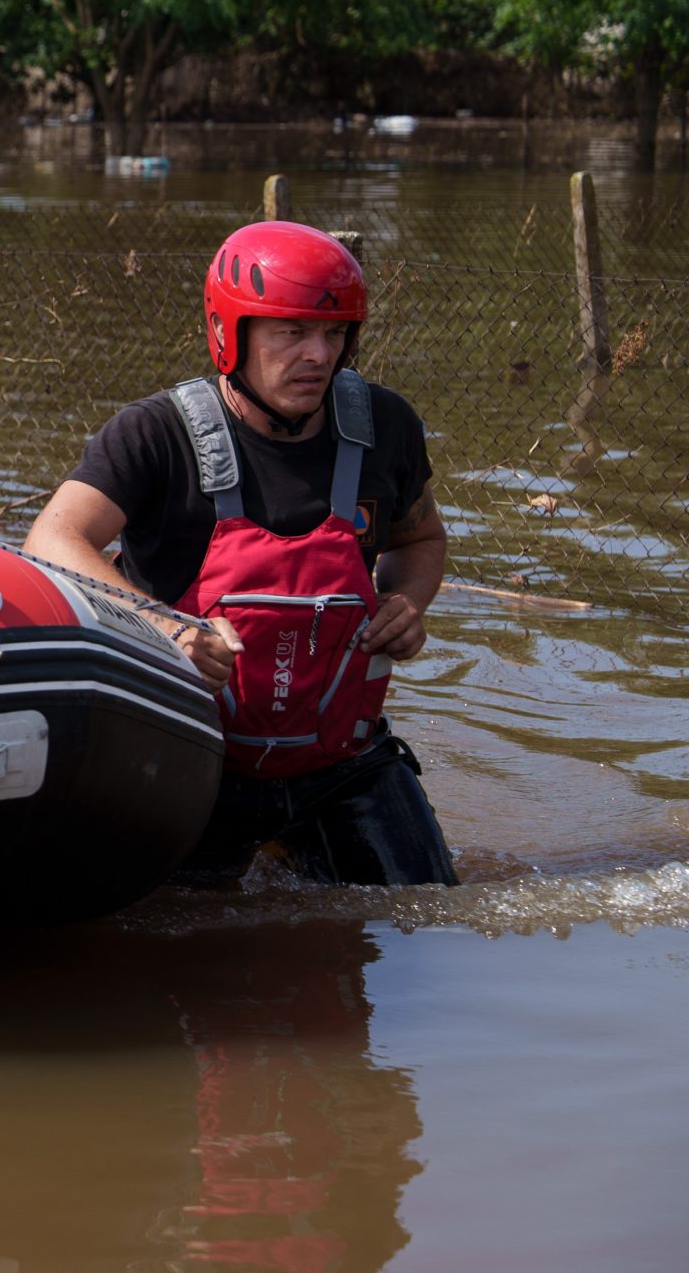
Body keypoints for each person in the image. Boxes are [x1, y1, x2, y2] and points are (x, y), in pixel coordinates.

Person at [23, 221, 455, 886]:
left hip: (341, 763)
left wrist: (407, 600)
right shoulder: (154, 433)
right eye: (291, 332)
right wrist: (168, 630)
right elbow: (51, 541)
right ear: (232, 332)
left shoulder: (386, 426)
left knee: (430, 918)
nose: (319, 354)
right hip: (193, 757)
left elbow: (421, 538)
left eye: (335, 333)